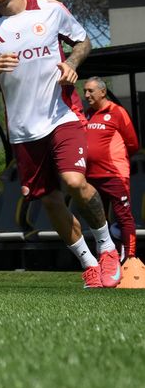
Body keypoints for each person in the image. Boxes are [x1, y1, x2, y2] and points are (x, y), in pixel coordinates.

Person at [0, 0, 116, 287]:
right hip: (22, 130)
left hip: (62, 116)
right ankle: (89, 263)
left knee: (74, 182)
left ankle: (107, 247)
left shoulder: (50, 10)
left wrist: (72, 63)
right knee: (48, 199)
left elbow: (82, 41)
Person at [80, 77, 138, 261]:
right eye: (85, 91)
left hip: (114, 175)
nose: (86, 95)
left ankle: (130, 258)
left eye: (90, 91)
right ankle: (106, 259)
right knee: (98, 220)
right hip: (91, 177)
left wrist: (113, 160)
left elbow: (133, 144)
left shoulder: (117, 112)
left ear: (103, 92)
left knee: (124, 217)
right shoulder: (87, 114)